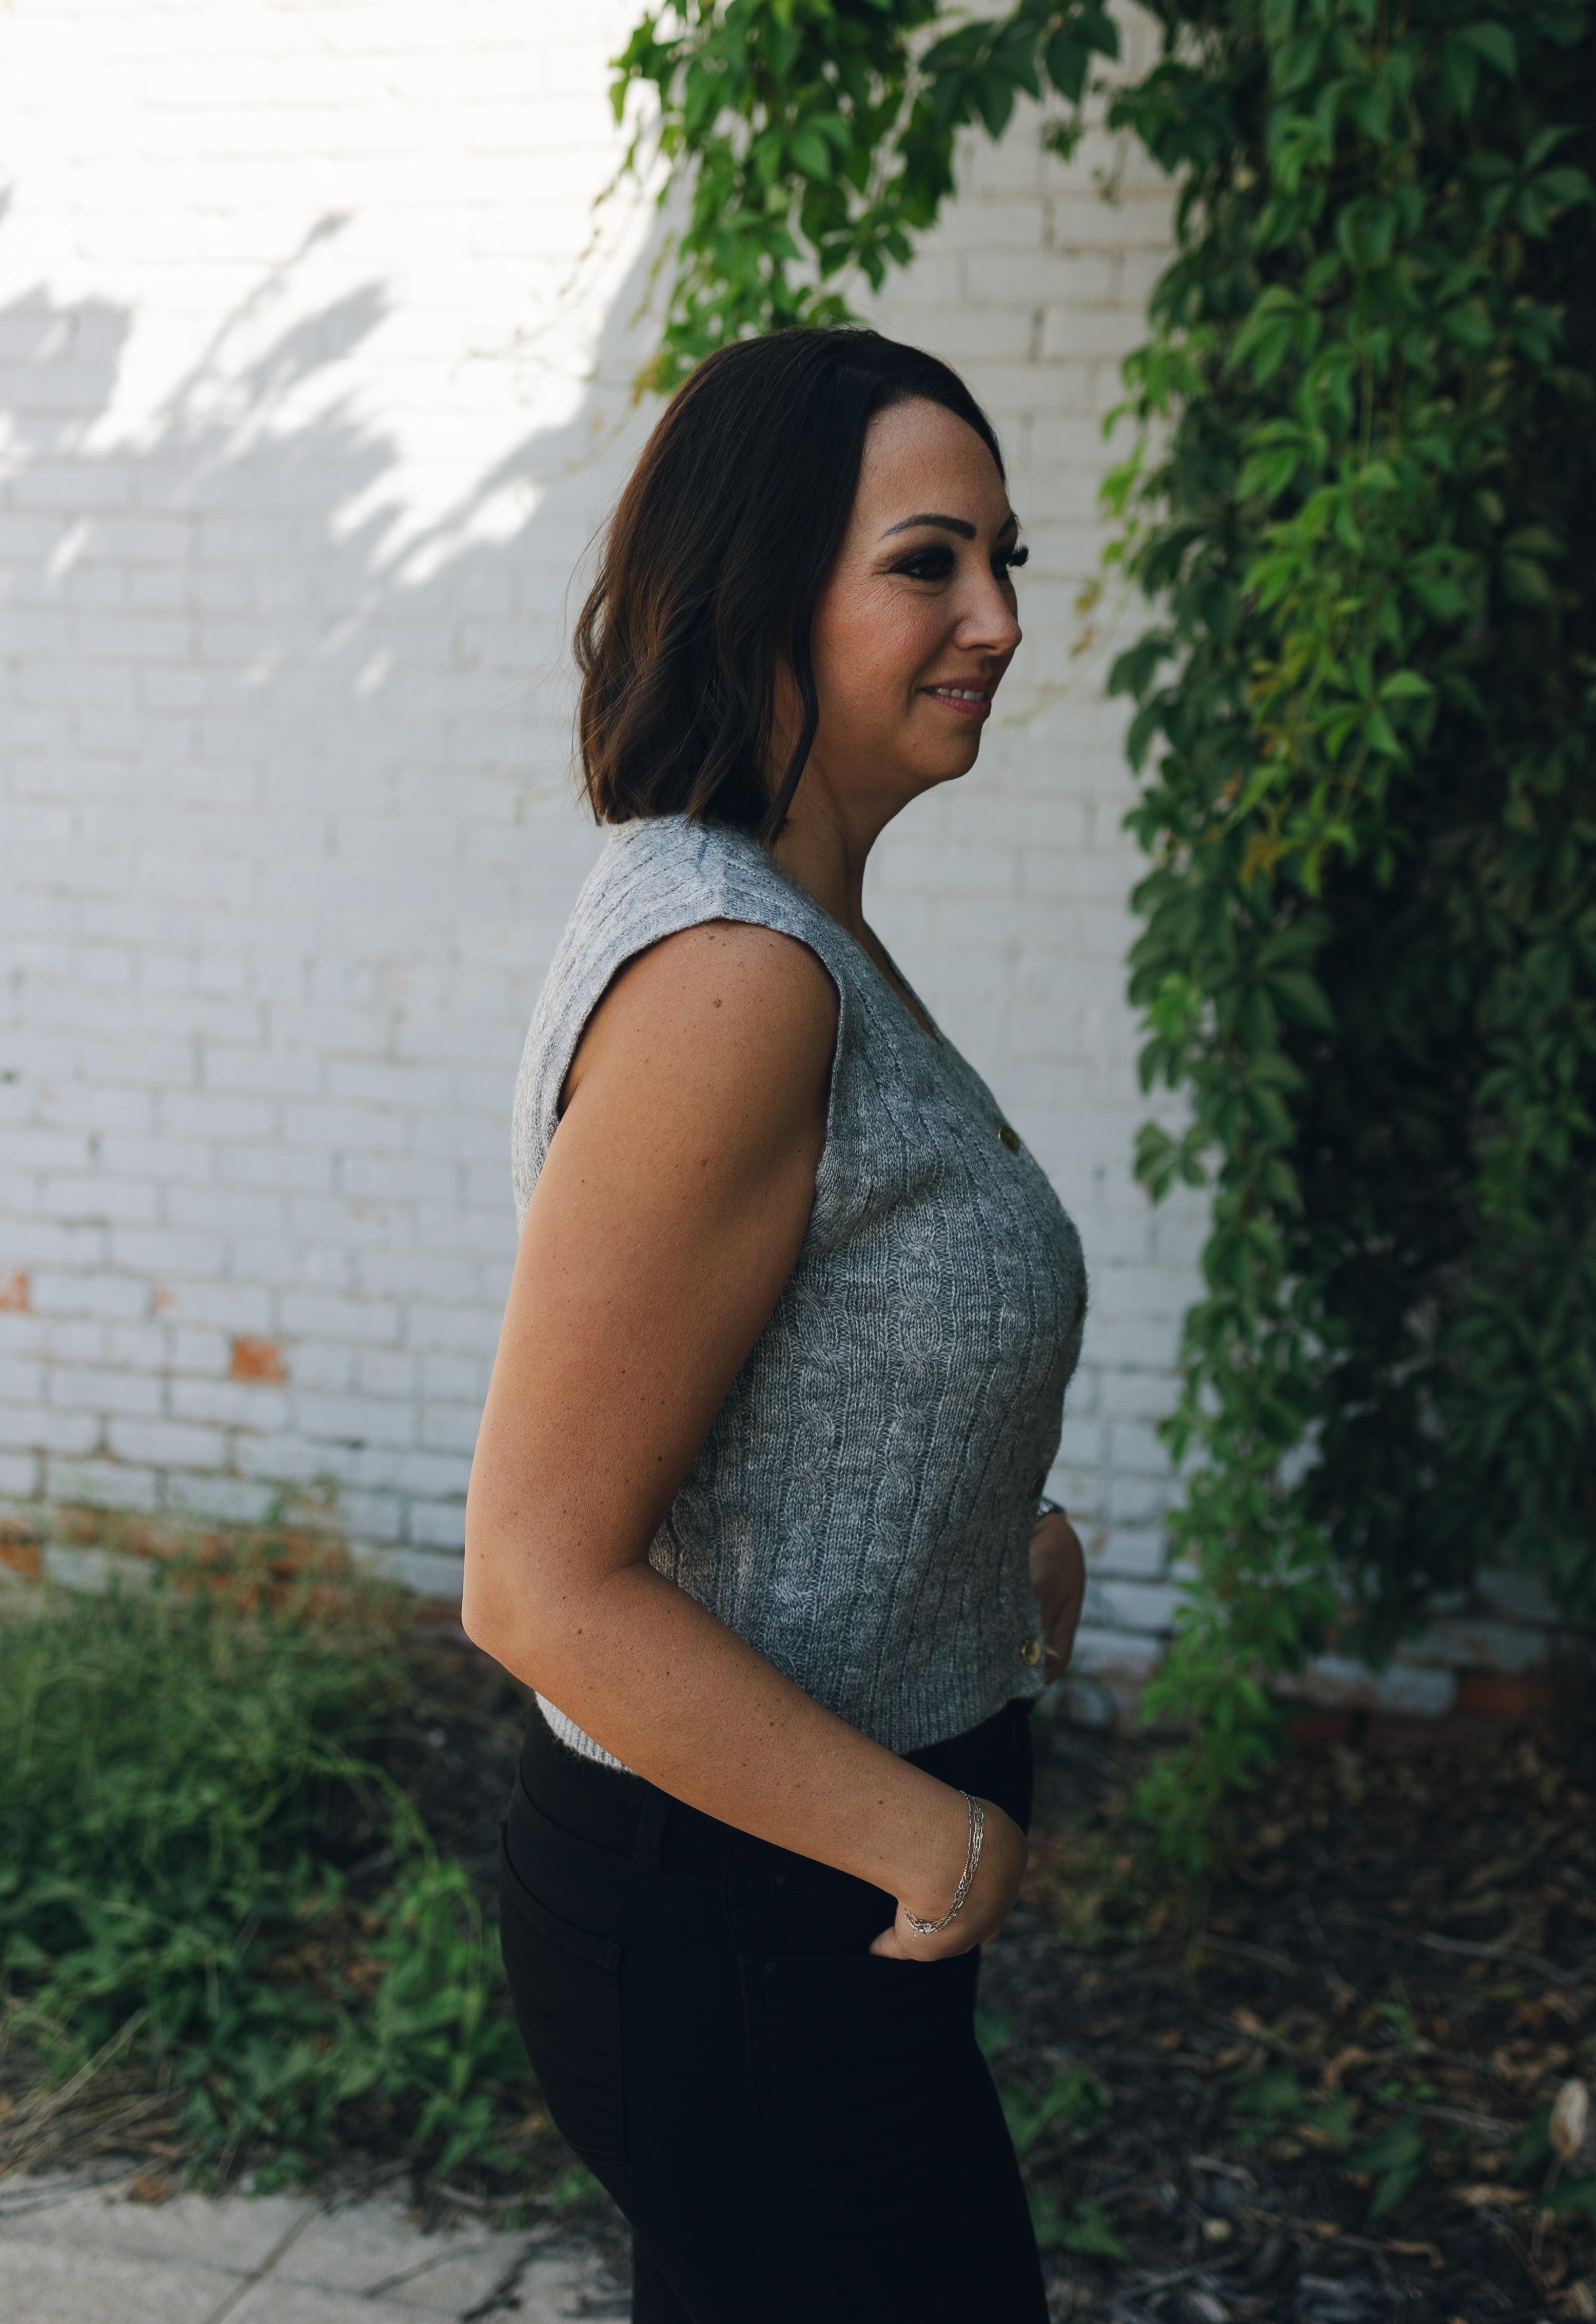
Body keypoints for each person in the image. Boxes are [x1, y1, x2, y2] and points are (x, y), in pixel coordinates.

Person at [463, 326, 1088, 2324]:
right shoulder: (736, 975)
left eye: (1002, 560)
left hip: (767, 1914)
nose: (997, 618)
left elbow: (796, 1373)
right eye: (926, 563)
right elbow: (534, 1574)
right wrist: (940, 1843)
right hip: (746, 1928)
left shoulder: (785, 924)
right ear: (759, 593)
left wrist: (986, 1529)